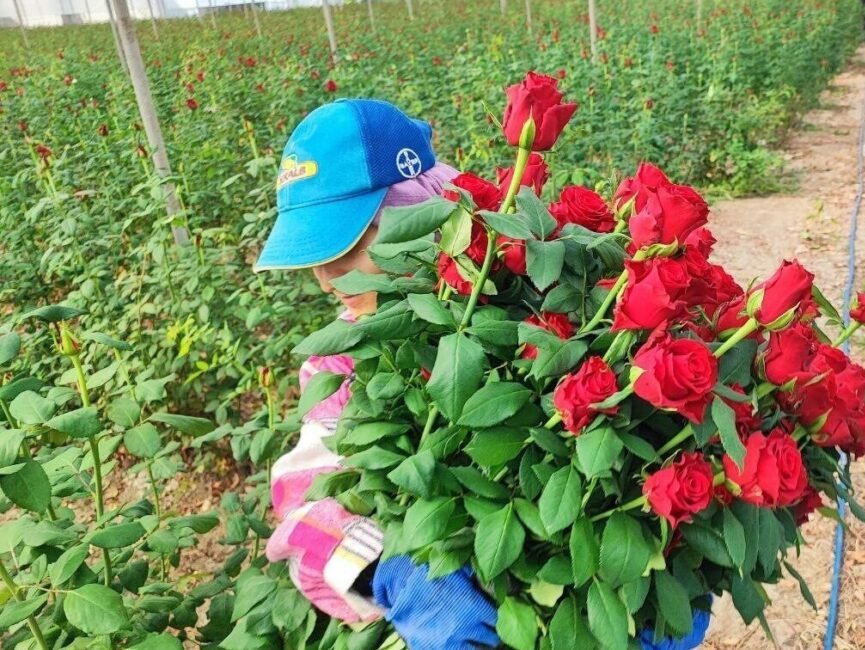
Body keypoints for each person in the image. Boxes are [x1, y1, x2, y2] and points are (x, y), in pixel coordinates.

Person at [254, 99, 712, 648]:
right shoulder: (340, 363)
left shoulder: (521, 300)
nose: (328, 278)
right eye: (314, 256)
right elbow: (304, 496)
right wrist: (391, 570)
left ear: (424, 215)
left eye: (351, 244)